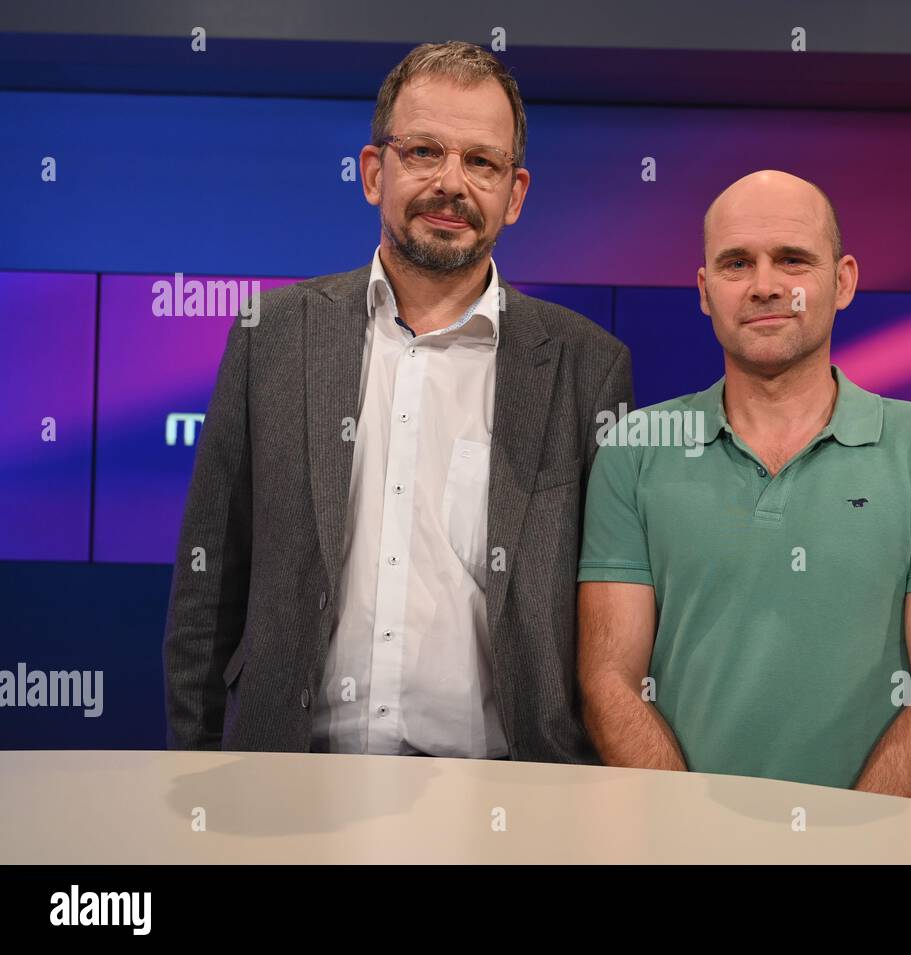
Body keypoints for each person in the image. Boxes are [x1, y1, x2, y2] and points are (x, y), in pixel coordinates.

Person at [164, 41, 633, 761]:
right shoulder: (274, 336)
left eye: (481, 161)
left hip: (508, 800)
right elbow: (208, 586)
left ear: (515, 193)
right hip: (288, 782)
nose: (451, 183)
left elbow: (609, 625)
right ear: (374, 172)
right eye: (423, 151)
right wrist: (192, 777)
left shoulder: (587, 367)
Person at [577, 170, 911, 795]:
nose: (765, 285)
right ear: (704, 289)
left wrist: (849, 847)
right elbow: (608, 683)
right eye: (736, 263)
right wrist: (690, 838)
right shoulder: (634, 449)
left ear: (844, 280)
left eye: (793, 260)